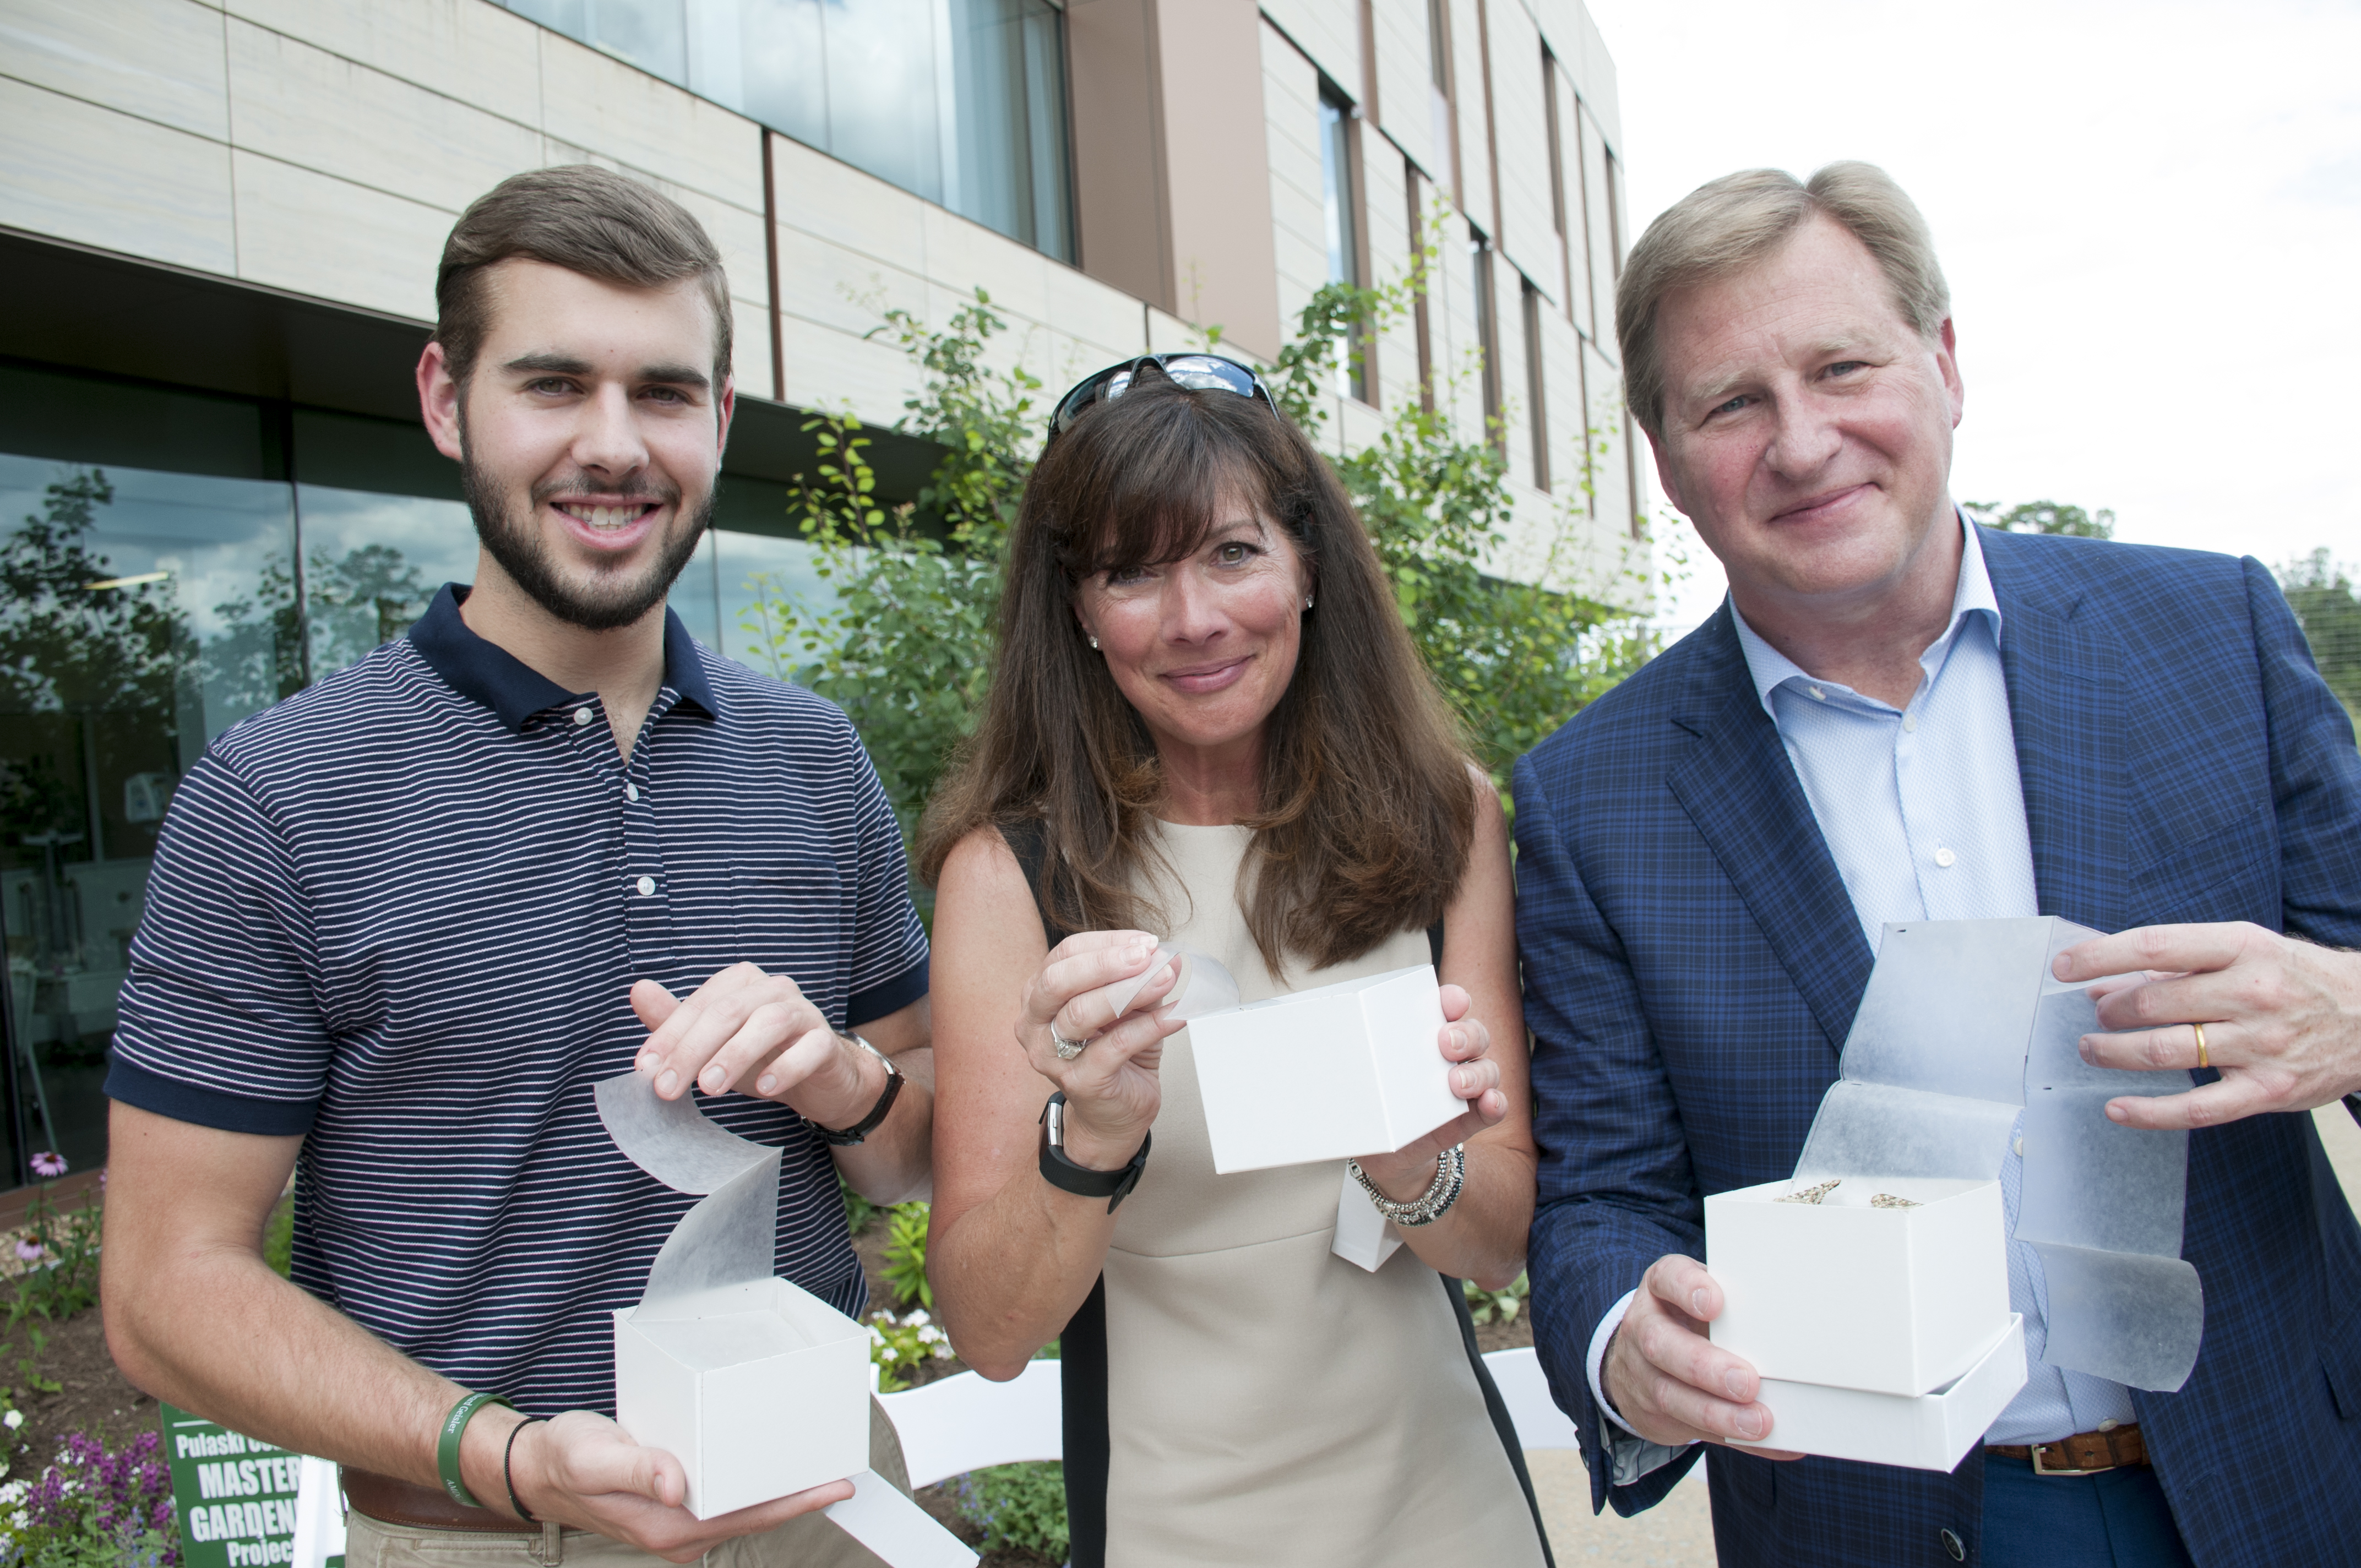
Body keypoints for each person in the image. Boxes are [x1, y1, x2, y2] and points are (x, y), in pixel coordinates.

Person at [1515, 160, 2361, 1568]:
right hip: (1867, 1523)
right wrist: (1622, 1339)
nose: (1799, 443)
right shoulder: (1587, 800)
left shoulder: (2211, 635)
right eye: (1729, 402)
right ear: (1663, 460)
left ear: (1944, 365)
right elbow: (1601, 1195)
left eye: (1840, 365)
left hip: (2283, 1474)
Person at [100, 166, 937, 1567]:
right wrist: (506, 1455)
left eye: (664, 392)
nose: (613, 445)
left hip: (823, 1502)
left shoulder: (812, 755)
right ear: (446, 400)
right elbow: (162, 1286)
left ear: (717, 421)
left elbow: (914, 1159)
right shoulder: (274, 797)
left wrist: (843, 1078)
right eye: (554, 383)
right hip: (479, 1534)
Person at [920, 356, 1552, 1568]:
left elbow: (1497, 1240)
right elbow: (990, 1329)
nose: (1194, 617)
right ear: (1075, 612)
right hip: (1176, 1524)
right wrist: (1089, 1138)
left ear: (1306, 566)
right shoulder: (1010, 880)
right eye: (1130, 571)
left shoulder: (1446, 816)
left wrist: (1414, 1157)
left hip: (1449, 1510)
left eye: (1229, 552)